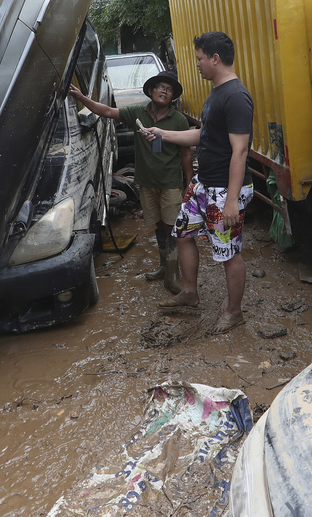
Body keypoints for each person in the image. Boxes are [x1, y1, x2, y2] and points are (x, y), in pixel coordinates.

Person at [144, 31, 254, 334]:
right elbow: (200, 136)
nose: (197, 64)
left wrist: (232, 199)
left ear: (215, 59)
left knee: (228, 252)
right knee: (182, 233)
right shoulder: (217, 92)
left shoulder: (236, 97)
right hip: (204, 184)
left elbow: (240, 150)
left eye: (199, 59)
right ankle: (190, 293)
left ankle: (234, 312)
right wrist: (161, 133)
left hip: (224, 189)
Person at [68, 71, 194, 292]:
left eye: (169, 89)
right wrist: (81, 98)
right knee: (158, 224)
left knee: (172, 226)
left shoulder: (179, 119)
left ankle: (173, 275)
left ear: (172, 96)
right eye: (160, 87)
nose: (164, 91)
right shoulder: (137, 112)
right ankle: (164, 266)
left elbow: (186, 154)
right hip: (146, 181)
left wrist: (190, 185)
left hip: (171, 182)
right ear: (151, 91)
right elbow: (106, 111)